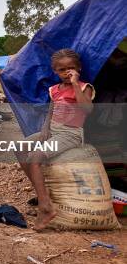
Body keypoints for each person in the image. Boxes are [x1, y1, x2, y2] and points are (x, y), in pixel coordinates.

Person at [16, 49, 94, 230]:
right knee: (20, 147)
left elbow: (87, 109)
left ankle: (46, 207)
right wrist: (44, 129)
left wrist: (75, 84)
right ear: (55, 71)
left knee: (35, 157)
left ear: (79, 69)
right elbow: (51, 111)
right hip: (52, 132)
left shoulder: (84, 87)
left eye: (71, 68)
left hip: (70, 133)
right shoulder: (54, 90)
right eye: (62, 69)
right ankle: (41, 193)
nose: (67, 72)